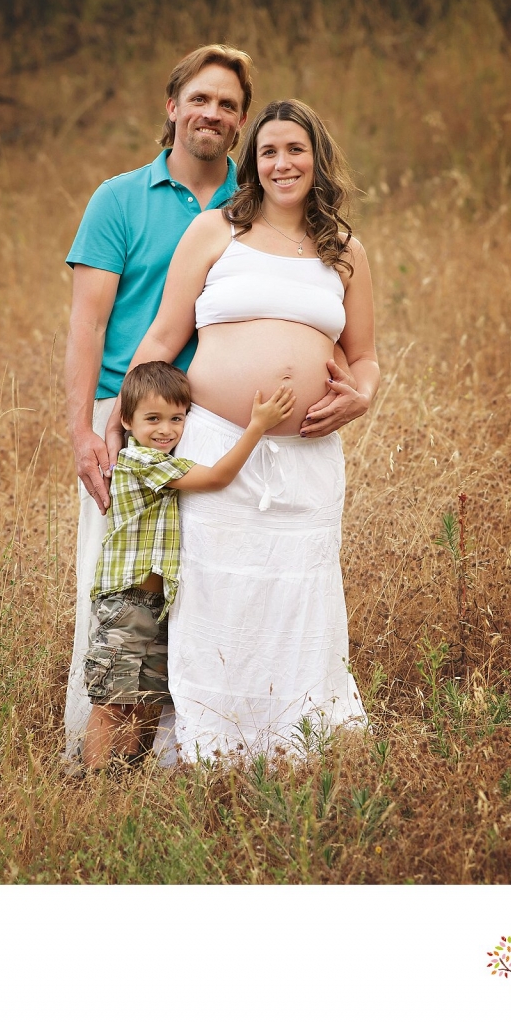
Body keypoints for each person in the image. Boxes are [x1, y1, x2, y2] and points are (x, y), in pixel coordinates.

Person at [106, 98, 380, 761]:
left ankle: (297, 743)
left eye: (295, 149)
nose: (282, 163)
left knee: (297, 590)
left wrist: (363, 395)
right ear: (251, 164)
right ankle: (214, 746)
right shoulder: (214, 231)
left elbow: (366, 355)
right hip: (216, 443)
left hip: (307, 461)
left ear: (318, 158)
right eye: (268, 151)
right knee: (218, 589)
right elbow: (166, 336)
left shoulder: (343, 251)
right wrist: (120, 418)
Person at [63, 43, 255, 760]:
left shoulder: (256, 201)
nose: (212, 112)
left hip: (215, 422)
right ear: (172, 107)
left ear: (240, 123)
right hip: (130, 419)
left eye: (228, 104)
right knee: (122, 591)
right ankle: (103, 755)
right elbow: (87, 323)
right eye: (200, 98)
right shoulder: (118, 199)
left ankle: (193, 751)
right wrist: (87, 430)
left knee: (207, 590)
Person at [83, 360, 295, 770]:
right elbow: (216, 478)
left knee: (147, 699)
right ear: (126, 421)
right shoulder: (141, 462)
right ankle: (93, 781)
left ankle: (128, 776)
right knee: (112, 699)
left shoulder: (167, 459)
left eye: (176, 419)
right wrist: (257, 426)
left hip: (157, 605)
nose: (165, 429)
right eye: (153, 419)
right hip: (124, 604)